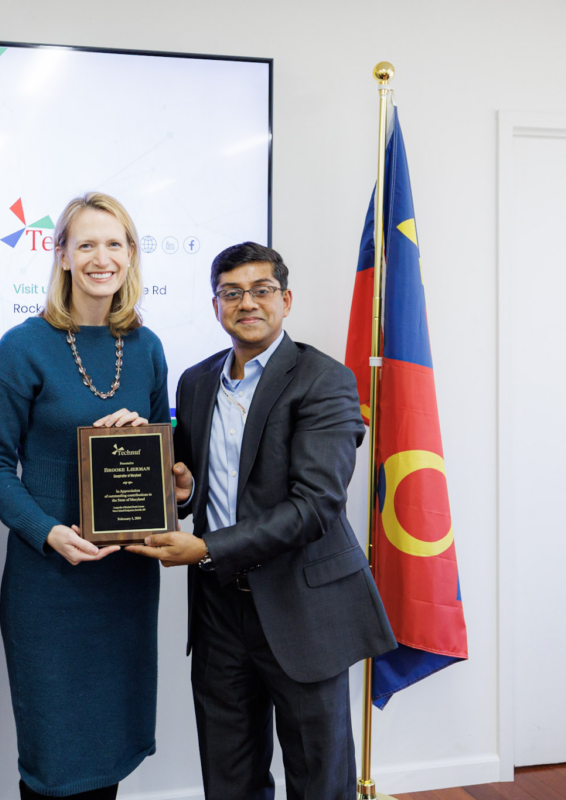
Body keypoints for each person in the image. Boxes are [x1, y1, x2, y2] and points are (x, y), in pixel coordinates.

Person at [128, 242, 396, 800]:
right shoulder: (196, 382)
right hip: (220, 609)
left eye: (261, 290)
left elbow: (315, 506)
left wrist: (205, 547)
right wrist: (183, 490)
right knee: (229, 777)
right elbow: (201, 483)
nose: (247, 302)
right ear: (216, 305)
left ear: (285, 299)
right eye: (232, 292)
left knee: (318, 780)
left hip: (301, 606)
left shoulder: (324, 379)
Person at [0, 192, 177, 800]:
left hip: (124, 583)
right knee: (55, 757)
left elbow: (164, 455)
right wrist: (46, 531)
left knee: (110, 748)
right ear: (60, 254)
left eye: (114, 243)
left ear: (131, 256)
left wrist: (175, 477)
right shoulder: (23, 345)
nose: (101, 257)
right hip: (51, 586)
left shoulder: (146, 347)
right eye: (85, 244)